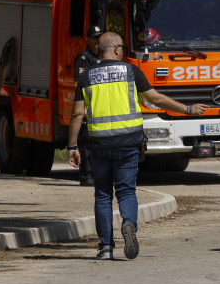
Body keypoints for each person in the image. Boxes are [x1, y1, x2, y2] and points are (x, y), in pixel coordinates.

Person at [67, 32, 208, 260]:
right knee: (126, 191)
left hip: (99, 144)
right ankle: (129, 225)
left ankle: (105, 248)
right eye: (121, 47)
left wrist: (72, 146)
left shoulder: (87, 76)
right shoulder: (131, 71)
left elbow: (77, 113)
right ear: (115, 49)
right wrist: (188, 109)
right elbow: (156, 99)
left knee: (102, 195)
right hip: (127, 143)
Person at [73, 25, 103, 186]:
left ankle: (97, 174)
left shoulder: (104, 57)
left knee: (98, 144)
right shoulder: (83, 59)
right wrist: (83, 107)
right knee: (86, 144)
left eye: (100, 37)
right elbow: (78, 85)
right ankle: (86, 175)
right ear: (88, 39)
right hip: (88, 106)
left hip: (101, 107)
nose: (98, 40)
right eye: (95, 37)